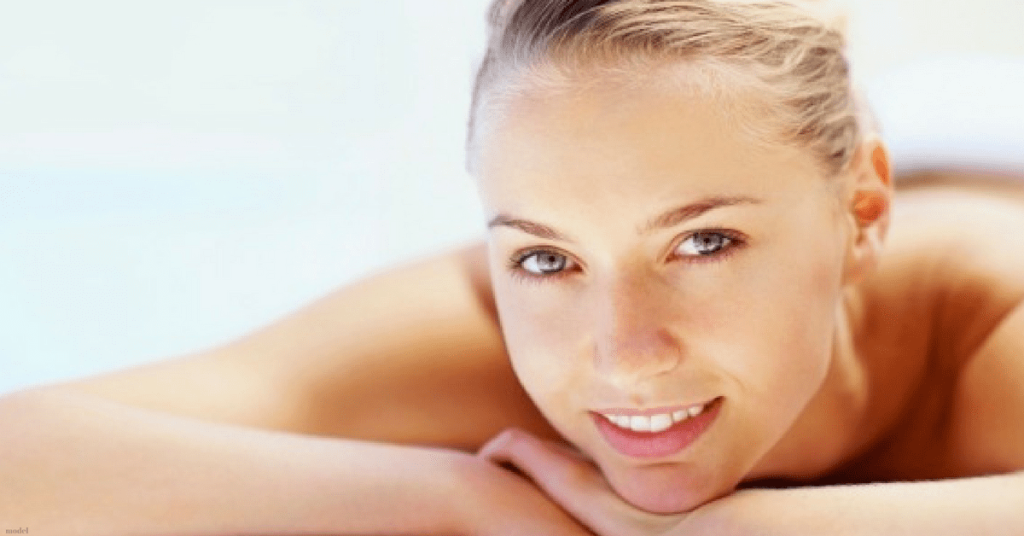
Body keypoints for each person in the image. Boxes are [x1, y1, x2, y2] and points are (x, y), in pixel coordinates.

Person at [2, 0, 1023, 534]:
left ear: (863, 212)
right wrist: (461, 499)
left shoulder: (992, 330)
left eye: (701, 243)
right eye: (547, 254)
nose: (622, 355)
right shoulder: (481, 333)